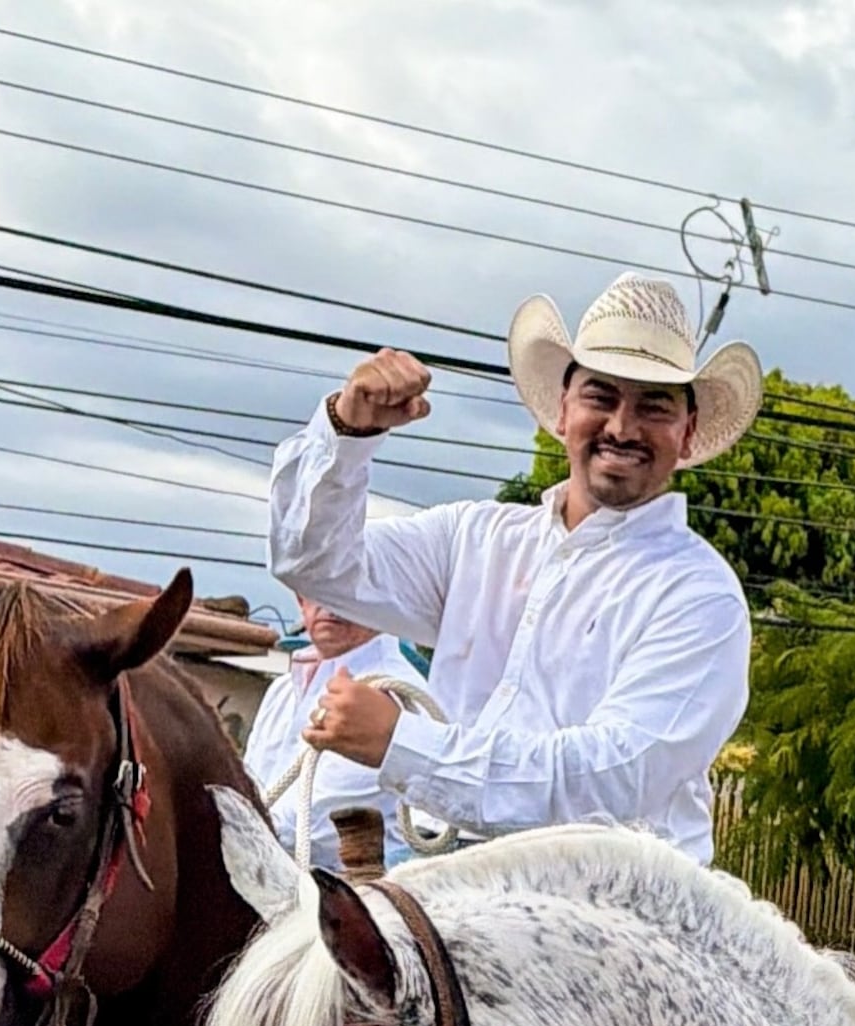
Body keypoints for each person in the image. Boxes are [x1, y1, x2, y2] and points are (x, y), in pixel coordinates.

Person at [266, 272, 761, 865]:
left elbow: (612, 781)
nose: (622, 428)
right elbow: (313, 564)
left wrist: (401, 744)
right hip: (441, 873)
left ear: (687, 435)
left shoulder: (700, 597)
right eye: (601, 397)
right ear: (561, 411)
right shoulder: (475, 538)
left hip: (607, 902)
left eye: (653, 406)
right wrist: (348, 431)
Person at [243, 596, 432, 869]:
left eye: (345, 588)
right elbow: (250, 786)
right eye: (317, 587)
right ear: (299, 598)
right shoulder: (281, 690)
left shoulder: (394, 693)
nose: (330, 600)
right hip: (273, 875)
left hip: (350, 897)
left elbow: (319, 828)